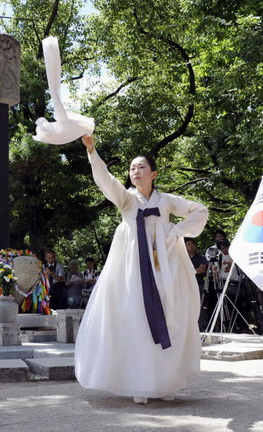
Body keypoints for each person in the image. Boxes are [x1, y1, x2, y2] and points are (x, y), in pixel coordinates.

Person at [75, 135, 208, 405]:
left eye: (141, 167)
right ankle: (140, 381)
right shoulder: (126, 200)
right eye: (132, 168)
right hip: (132, 269)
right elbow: (106, 180)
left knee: (171, 315)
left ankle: (166, 381)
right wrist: (92, 151)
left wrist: (177, 231)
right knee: (135, 319)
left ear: (154, 173)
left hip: (165, 267)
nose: (135, 172)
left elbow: (200, 211)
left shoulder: (167, 201)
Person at [185, 238, 208, 330]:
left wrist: (189, 271)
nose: (191, 246)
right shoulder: (183, 257)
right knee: (187, 305)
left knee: (200, 305)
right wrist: (195, 270)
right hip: (186, 285)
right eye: (188, 244)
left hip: (199, 284)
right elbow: (182, 271)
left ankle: (202, 326)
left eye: (192, 244)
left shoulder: (201, 257)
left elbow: (202, 269)